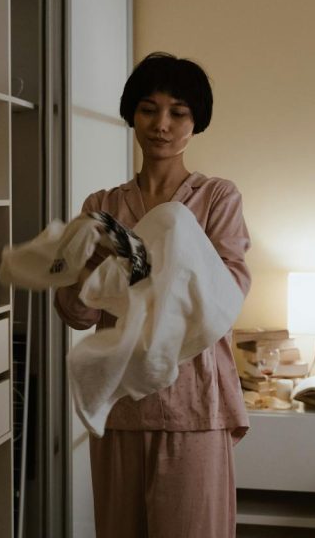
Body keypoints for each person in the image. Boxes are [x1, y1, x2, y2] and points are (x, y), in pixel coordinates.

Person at [55, 52, 251, 538]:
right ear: (132, 115)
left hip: (195, 404)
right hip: (120, 403)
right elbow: (76, 313)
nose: (161, 124)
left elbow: (226, 296)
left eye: (177, 112)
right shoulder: (102, 206)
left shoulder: (217, 198)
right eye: (148, 109)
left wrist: (133, 262)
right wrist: (92, 269)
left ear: (195, 121)